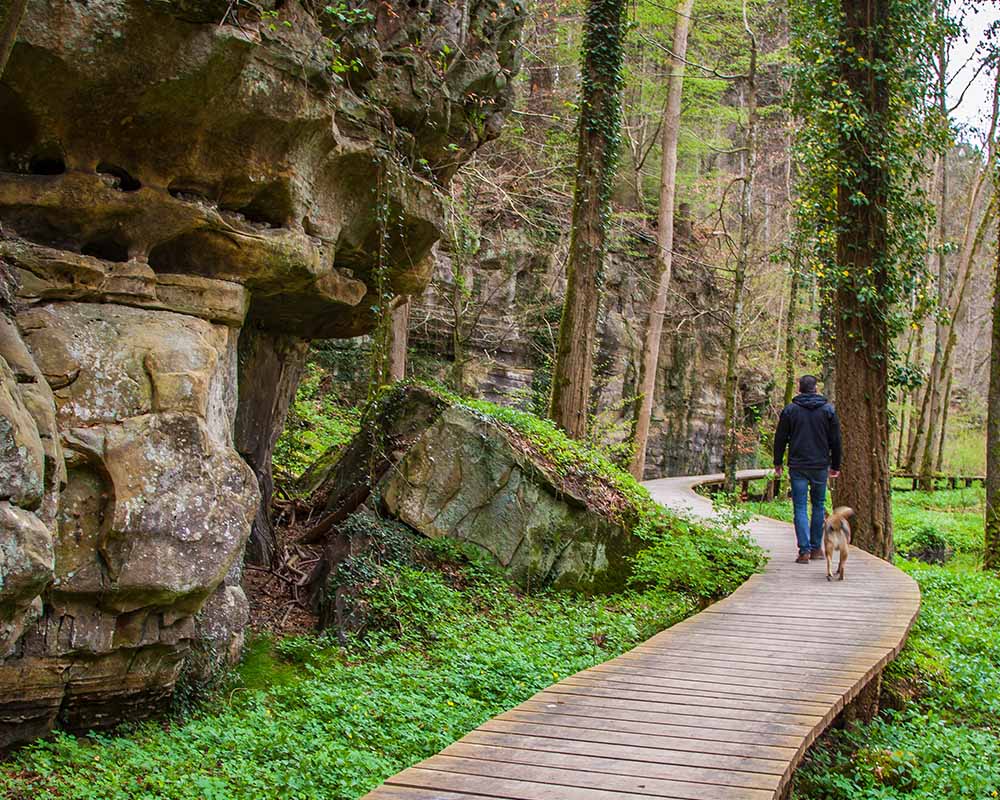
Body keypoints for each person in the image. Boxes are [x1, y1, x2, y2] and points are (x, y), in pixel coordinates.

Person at [773, 375, 842, 564]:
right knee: (818, 505)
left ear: (799, 389)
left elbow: (780, 438)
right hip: (820, 465)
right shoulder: (828, 411)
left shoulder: (790, 411)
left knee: (800, 507)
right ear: (816, 388)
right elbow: (835, 440)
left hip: (798, 465)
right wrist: (835, 465)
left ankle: (804, 551)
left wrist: (777, 462)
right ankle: (815, 549)